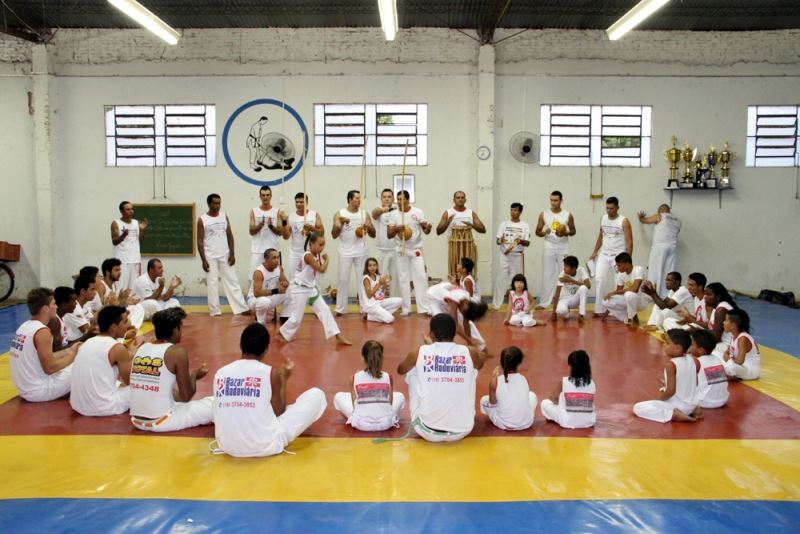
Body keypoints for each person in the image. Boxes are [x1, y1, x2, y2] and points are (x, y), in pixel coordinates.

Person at [212, 323, 327, 457]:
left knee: (217, 402)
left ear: (240, 345)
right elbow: (279, 412)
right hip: (265, 445)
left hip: (227, 445)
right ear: (266, 350)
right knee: (317, 396)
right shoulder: (270, 373)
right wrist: (283, 377)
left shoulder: (221, 373)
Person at [397, 313, 486, 442]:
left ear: (432, 334)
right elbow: (480, 364)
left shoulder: (419, 352)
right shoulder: (469, 352)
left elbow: (401, 370)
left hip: (426, 430)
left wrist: (428, 348)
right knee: (471, 370)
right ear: (455, 333)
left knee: (413, 372)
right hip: (463, 430)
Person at [129, 308, 214, 432]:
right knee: (215, 403)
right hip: (163, 421)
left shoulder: (143, 348)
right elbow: (186, 397)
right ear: (176, 330)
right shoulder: (177, 352)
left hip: (136, 421)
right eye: (181, 328)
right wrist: (195, 375)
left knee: (171, 394)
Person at [278, 232, 351, 345]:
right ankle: (282, 332)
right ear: (311, 243)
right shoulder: (308, 256)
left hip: (311, 288)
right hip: (299, 288)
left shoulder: (316, 254)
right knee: (297, 318)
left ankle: (337, 335)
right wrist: (327, 260)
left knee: (325, 310)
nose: (322, 247)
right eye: (320, 244)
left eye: (323, 245)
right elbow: (321, 269)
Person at [10, 288, 81, 402]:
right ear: (45, 309)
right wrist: (73, 355)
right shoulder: (42, 331)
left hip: (25, 389)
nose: (56, 307)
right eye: (54, 304)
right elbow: (50, 368)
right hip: (39, 391)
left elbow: (44, 358)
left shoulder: (24, 326)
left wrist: (68, 351)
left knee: (74, 358)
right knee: (83, 362)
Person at [69, 305, 139, 417]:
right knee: (144, 386)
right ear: (113, 327)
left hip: (78, 405)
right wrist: (136, 356)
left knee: (117, 384)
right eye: (125, 322)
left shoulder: (88, 342)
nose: (129, 325)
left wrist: (129, 354)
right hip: (103, 407)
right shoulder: (117, 348)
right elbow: (131, 381)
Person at [333, 340, 405, 431]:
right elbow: (389, 403)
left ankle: (352, 418)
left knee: (338, 397)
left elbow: (355, 405)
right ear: (381, 358)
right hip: (385, 423)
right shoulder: (388, 377)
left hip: (362, 424)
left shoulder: (354, 377)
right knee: (400, 396)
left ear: (363, 357)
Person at [633, 329, 701, 423]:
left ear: (678, 348)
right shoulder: (694, 360)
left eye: (668, 343)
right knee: (662, 390)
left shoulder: (671, 365)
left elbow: (670, 392)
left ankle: (673, 414)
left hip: (679, 406)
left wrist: (657, 401)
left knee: (637, 408)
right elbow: (693, 382)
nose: (665, 346)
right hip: (692, 405)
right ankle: (693, 409)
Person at [197, 193, 249, 317]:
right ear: (209, 204)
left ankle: (241, 308)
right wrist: (203, 259)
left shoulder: (224, 216)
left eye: (219, 203)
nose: (218, 205)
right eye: (215, 203)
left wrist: (232, 253)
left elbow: (230, 235)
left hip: (225, 255)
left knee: (233, 281)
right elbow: (199, 240)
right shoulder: (203, 219)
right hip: (210, 256)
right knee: (212, 283)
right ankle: (215, 311)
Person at [387, 190, 432, 316]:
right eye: (398, 199)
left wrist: (428, 227)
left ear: (408, 199)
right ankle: (406, 308)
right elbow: (389, 234)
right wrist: (396, 229)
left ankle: (423, 307)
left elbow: (426, 230)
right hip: (401, 249)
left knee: (421, 277)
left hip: (415, 249)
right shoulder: (393, 214)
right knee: (403, 277)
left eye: (403, 199)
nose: (400, 202)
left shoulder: (417, 212)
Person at [332, 190, 375, 315]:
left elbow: (373, 234)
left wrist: (369, 226)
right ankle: (340, 309)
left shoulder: (364, 214)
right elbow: (334, 234)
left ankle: (365, 308)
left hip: (361, 251)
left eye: (359, 198)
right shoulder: (340, 213)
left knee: (363, 280)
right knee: (343, 280)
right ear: (349, 200)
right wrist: (339, 224)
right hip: (345, 251)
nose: (359, 200)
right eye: (356, 198)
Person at [589, 196, 632, 316]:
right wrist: (594, 252)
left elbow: (629, 241)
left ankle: (615, 310)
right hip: (604, 253)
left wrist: (628, 259)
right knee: (599, 280)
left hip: (618, 255)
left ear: (617, 207)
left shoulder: (624, 221)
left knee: (618, 281)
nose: (609, 211)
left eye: (612, 208)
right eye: (607, 208)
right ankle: (598, 310)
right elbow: (600, 236)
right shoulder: (603, 219)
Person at [479, 346, 537, 431]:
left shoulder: (496, 381)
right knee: (532, 395)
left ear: (502, 362)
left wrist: (493, 377)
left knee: (483, 400)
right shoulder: (524, 379)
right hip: (527, 423)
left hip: (504, 424)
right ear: (519, 363)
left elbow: (493, 403)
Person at [535, 191, 576, 308]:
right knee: (547, 273)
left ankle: (567, 301)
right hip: (549, 245)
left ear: (561, 201)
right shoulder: (544, 214)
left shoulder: (567, 214)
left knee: (564, 272)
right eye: (551, 200)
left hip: (563, 246)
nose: (553, 203)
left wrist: (565, 232)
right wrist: (544, 232)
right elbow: (537, 231)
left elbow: (573, 230)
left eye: (556, 200)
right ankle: (544, 302)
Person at [426, 281, 490, 351]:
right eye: (463, 313)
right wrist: (470, 341)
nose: (461, 313)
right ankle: (433, 343)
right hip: (433, 296)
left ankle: (482, 347)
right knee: (442, 321)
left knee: (470, 325)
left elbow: (466, 323)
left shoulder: (467, 300)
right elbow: (454, 325)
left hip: (445, 292)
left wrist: (470, 342)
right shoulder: (455, 300)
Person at [540, 350, 596, 429]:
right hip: (588, 422)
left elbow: (552, 399)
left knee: (545, 403)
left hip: (567, 422)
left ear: (571, 367)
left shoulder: (564, 381)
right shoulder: (591, 383)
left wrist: (564, 405)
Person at [436, 191, 486, 277]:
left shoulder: (471, 213)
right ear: (454, 200)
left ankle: (468, 288)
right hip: (454, 248)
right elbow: (438, 231)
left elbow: (483, 229)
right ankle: (457, 289)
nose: (460, 199)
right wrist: (448, 222)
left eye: (462, 197)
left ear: (465, 200)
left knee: (467, 272)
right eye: (458, 197)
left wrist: (472, 225)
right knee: (455, 271)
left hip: (468, 247)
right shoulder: (448, 212)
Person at [638, 205, 681, 298]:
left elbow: (644, 220)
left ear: (660, 211)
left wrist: (641, 217)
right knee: (668, 272)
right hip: (672, 248)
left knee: (655, 270)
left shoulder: (660, 215)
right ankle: (666, 296)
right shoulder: (677, 220)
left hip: (660, 247)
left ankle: (652, 295)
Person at [493, 203, 530, 309]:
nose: (513, 212)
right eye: (511, 210)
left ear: (520, 212)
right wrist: (501, 240)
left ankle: (517, 303)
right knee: (501, 278)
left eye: (515, 210)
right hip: (505, 255)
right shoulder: (504, 224)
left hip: (517, 256)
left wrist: (521, 241)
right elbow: (497, 240)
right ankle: (497, 304)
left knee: (517, 280)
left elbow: (528, 243)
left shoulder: (525, 225)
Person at [283, 193, 324, 282]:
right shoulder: (291, 217)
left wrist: (312, 228)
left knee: (314, 280)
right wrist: (284, 223)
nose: (299, 204)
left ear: (307, 202)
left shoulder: (314, 215)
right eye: (297, 202)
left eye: (301, 202)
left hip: (311, 253)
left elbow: (322, 232)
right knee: (293, 280)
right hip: (295, 253)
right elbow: (286, 236)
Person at [249, 185, 287, 279]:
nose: (265, 197)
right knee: (254, 277)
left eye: (267, 195)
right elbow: (251, 231)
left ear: (271, 196)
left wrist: (271, 226)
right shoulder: (254, 211)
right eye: (263, 195)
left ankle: (275, 294)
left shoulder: (277, 212)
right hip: (258, 250)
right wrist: (260, 225)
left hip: (273, 250)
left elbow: (280, 232)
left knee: (276, 276)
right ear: (260, 196)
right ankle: (253, 294)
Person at [601, 252, 648, 325]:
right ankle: (625, 316)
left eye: (619, 265)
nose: (617, 268)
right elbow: (618, 293)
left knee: (628, 294)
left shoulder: (638, 269)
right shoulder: (620, 274)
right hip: (630, 300)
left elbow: (635, 289)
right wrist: (606, 313)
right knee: (605, 301)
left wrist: (614, 292)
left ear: (627, 264)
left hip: (642, 301)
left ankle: (633, 318)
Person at [111, 201, 148, 290]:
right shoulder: (116, 223)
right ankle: (118, 304)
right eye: (128, 209)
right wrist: (123, 235)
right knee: (121, 287)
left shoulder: (135, 222)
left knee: (134, 288)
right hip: (122, 260)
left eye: (132, 209)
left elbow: (141, 241)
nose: (131, 211)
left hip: (135, 260)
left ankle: (132, 304)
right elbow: (114, 241)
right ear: (121, 211)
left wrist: (142, 230)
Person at [99, 257, 145, 329]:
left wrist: (126, 301)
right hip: (106, 319)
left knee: (138, 308)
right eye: (116, 270)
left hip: (113, 314)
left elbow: (115, 303)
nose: (119, 273)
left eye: (120, 270)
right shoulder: (101, 286)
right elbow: (100, 310)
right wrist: (120, 302)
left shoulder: (113, 284)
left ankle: (131, 328)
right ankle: (127, 329)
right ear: (107, 272)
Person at [247, 248, 289, 326]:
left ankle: (284, 316)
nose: (277, 260)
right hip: (255, 300)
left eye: (277, 257)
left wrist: (285, 284)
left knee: (291, 292)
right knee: (264, 301)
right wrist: (276, 291)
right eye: (274, 258)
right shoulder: (259, 272)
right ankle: (260, 323)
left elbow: (286, 283)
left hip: (270, 297)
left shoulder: (278, 268)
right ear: (266, 259)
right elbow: (257, 293)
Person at [371, 188, 399, 297]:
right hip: (381, 250)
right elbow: (374, 214)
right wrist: (385, 209)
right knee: (380, 277)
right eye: (384, 197)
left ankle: (395, 301)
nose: (387, 199)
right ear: (381, 199)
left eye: (389, 197)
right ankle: (378, 300)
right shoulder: (379, 211)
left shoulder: (397, 212)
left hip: (395, 249)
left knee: (395, 278)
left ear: (393, 199)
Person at [691, 329, 729, 409]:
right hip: (723, 400)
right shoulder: (717, 358)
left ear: (701, 350)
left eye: (692, 345)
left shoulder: (697, 362)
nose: (690, 347)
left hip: (704, 402)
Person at [360, 257, 403, 324]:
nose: (372, 267)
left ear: (377, 266)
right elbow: (369, 295)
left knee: (400, 300)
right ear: (367, 267)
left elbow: (381, 294)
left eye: (374, 265)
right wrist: (379, 284)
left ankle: (374, 315)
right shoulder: (366, 278)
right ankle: (369, 316)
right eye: (370, 265)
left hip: (379, 302)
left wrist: (384, 285)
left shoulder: (378, 276)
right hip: (371, 305)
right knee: (390, 319)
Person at [722, 309, 761, 380]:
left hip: (750, 371)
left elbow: (740, 361)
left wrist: (728, 359)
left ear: (733, 325)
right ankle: (729, 374)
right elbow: (726, 354)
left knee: (731, 367)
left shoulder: (743, 338)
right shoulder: (733, 336)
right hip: (741, 367)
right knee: (715, 356)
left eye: (726, 320)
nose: (723, 322)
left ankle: (713, 377)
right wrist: (727, 358)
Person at [551, 256, 590, 322]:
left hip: (576, 299)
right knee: (560, 311)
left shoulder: (581, 270)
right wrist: (554, 313)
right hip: (565, 299)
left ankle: (581, 316)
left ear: (574, 268)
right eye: (564, 266)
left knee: (583, 288)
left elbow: (588, 285)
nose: (564, 268)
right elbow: (557, 294)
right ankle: (566, 314)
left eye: (566, 266)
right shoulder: (562, 274)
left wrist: (572, 280)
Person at [705, 282, 738, 356]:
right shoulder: (717, 307)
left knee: (697, 348)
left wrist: (698, 333)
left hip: (727, 346)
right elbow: (711, 327)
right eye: (705, 294)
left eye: (708, 295)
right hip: (724, 343)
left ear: (718, 297)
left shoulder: (721, 309)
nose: (705, 297)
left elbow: (716, 338)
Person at [63, 276, 97, 342]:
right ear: (83, 291)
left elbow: (94, 321)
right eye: (92, 289)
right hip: (73, 344)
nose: (95, 292)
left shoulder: (85, 305)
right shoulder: (74, 308)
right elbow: (87, 331)